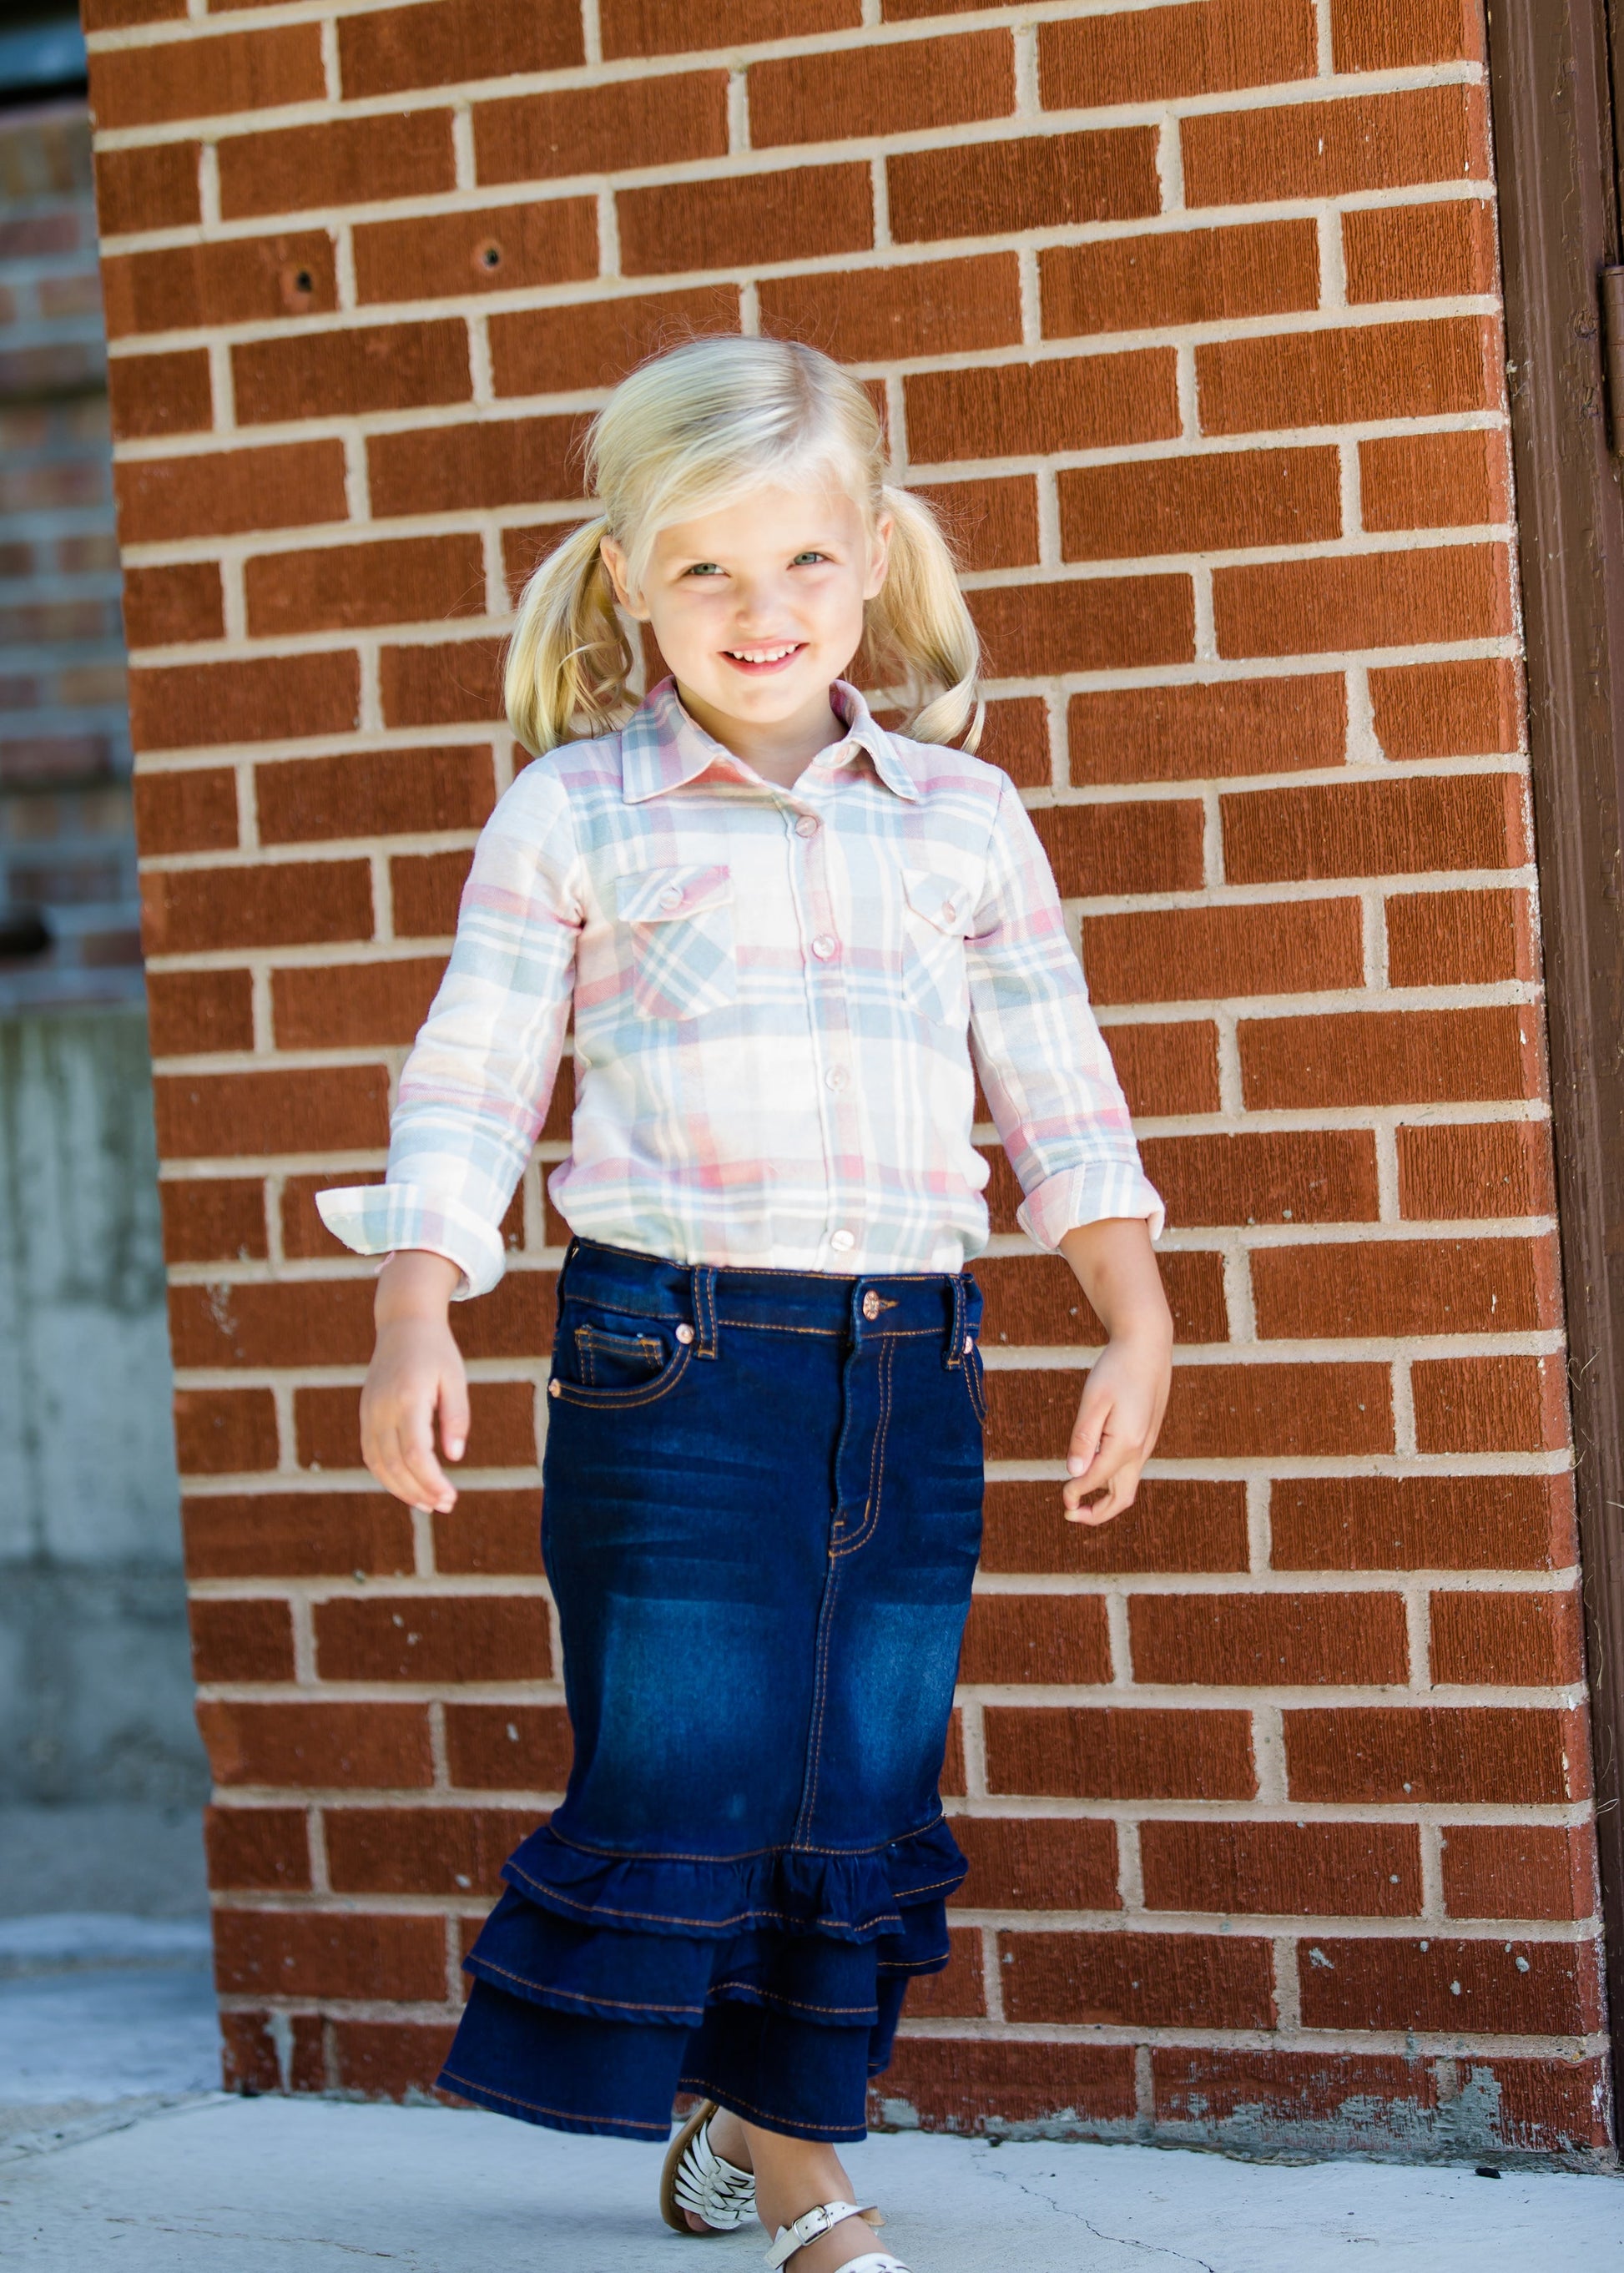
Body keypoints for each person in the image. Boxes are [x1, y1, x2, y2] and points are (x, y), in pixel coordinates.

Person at [318, 335, 1171, 2273]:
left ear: (868, 559)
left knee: (862, 1774)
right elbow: (472, 1078)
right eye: (703, 566)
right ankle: (810, 2184)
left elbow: (1056, 1086)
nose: (756, 609)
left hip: (908, 1359)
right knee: (697, 1765)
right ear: (625, 575)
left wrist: (1135, 1315)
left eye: (797, 562)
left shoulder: (959, 819)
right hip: (670, 1363)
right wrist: (413, 1309)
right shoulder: (574, 815)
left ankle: (754, 2118)